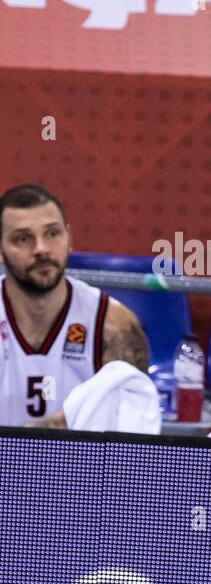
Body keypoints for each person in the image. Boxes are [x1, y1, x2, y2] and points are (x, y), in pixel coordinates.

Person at [0, 183, 150, 428]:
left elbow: (132, 437)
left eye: (52, 233)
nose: (41, 249)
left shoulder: (113, 325)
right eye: (23, 238)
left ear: (69, 238)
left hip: (81, 465)